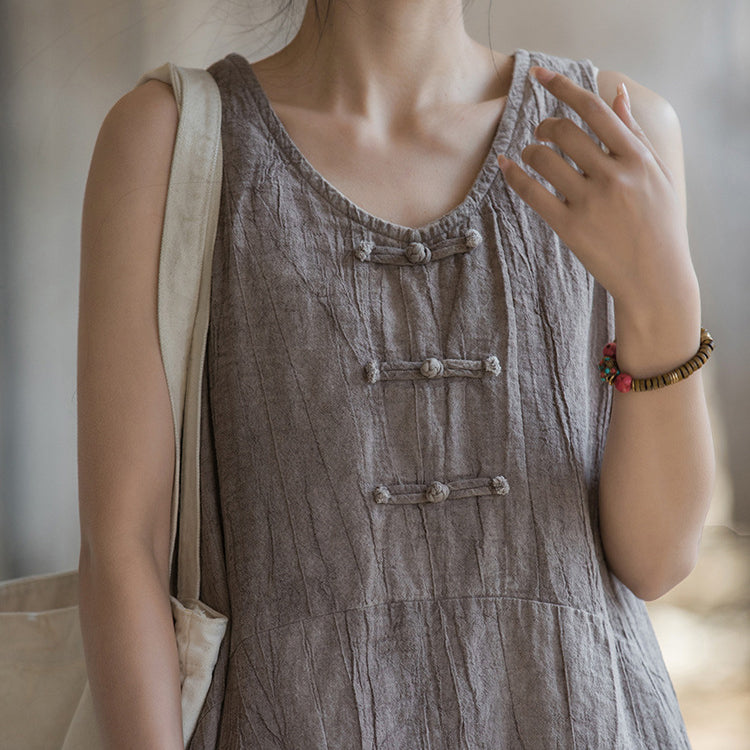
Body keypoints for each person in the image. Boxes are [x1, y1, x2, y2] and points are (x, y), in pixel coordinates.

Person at [76, 0, 716, 747]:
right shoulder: (171, 138)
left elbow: (658, 558)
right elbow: (125, 549)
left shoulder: (614, 133)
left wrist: (663, 303)